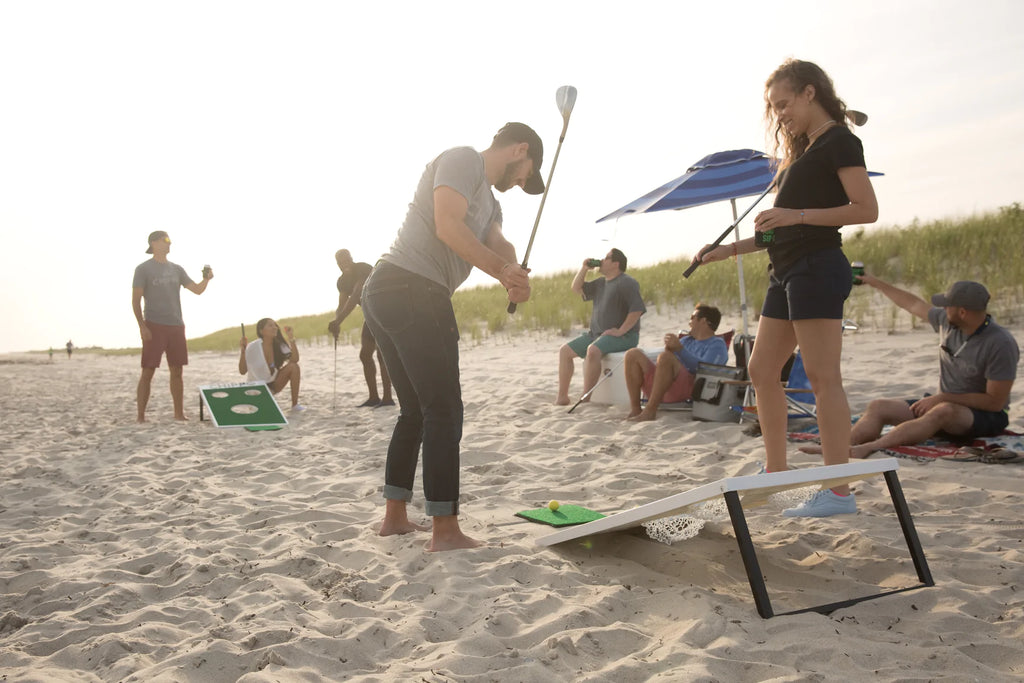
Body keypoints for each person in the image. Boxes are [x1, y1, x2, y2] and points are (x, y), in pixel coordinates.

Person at [694, 59, 878, 517]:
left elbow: (866, 209)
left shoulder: (840, 140)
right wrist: (728, 250)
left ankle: (837, 491)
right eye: (773, 108)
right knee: (761, 370)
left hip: (817, 266)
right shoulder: (804, 151)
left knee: (822, 377)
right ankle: (776, 472)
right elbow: (779, 231)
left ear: (810, 93)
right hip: (786, 270)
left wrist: (794, 216)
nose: (779, 114)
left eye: (784, 103)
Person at [360, 121, 537, 551]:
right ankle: (446, 530)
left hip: (395, 292)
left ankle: (395, 518)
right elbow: (447, 225)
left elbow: (496, 243)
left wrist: (514, 274)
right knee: (445, 410)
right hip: (411, 287)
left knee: (416, 412)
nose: (521, 183)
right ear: (519, 150)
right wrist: (500, 270)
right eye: (526, 173)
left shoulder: (491, 205)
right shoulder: (462, 160)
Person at [801, 278, 1018, 459]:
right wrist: (875, 282)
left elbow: (994, 402)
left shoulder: (1000, 343)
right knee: (878, 406)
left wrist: (942, 398)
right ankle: (841, 448)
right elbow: (912, 304)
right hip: (942, 403)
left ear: (962, 312)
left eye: (947, 305)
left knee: (943, 411)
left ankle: (869, 448)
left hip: (984, 417)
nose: (942, 309)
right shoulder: (947, 322)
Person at [133, 230, 213, 422]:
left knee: (177, 371)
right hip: (154, 324)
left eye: (170, 241)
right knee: (148, 371)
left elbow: (197, 290)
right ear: (153, 243)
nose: (169, 243)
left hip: (176, 325)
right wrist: (142, 327)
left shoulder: (177, 269)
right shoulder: (143, 269)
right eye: (165, 240)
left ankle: (179, 414)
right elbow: (135, 300)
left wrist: (206, 279)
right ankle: (141, 416)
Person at [556, 249, 646, 406]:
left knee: (593, 350)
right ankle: (562, 397)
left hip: (624, 336)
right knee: (565, 351)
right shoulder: (600, 283)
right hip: (596, 334)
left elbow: (637, 310)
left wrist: (620, 331)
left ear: (616, 263)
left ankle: (585, 398)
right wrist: (584, 268)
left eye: (606, 258)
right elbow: (576, 288)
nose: (602, 261)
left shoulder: (627, 282)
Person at [623, 303, 729, 421]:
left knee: (665, 357)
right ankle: (636, 409)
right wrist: (670, 349)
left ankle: (650, 410)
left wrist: (679, 350)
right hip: (664, 385)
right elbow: (666, 362)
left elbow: (707, 370)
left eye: (692, 318)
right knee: (632, 354)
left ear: (704, 321)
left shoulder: (717, 344)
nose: (689, 322)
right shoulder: (686, 340)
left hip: (691, 388)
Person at [328, 249, 394, 408]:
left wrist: (339, 320)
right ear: (337, 264)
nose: (344, 264)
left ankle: (387, 398)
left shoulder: (362, 268)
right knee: (365, 355)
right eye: (340, 262)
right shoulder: (342, 281)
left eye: (346, 260)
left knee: (381, 354)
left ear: (351, 258)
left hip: (385, 310)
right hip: (370, 314)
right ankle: (373, 397)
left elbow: (357, 294)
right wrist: (336, 322)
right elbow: (342, 304)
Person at [239, 318, 305, 411]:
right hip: (256, 390)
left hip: (272, 386)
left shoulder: (279, 345)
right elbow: (242, 371)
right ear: (261, 331)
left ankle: (295, 405)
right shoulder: (252, 347)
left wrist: (291, 338)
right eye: (270, 325)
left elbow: (295, 359)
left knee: (294, 367)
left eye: (275, 325)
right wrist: (243, 351)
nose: (275, 327)